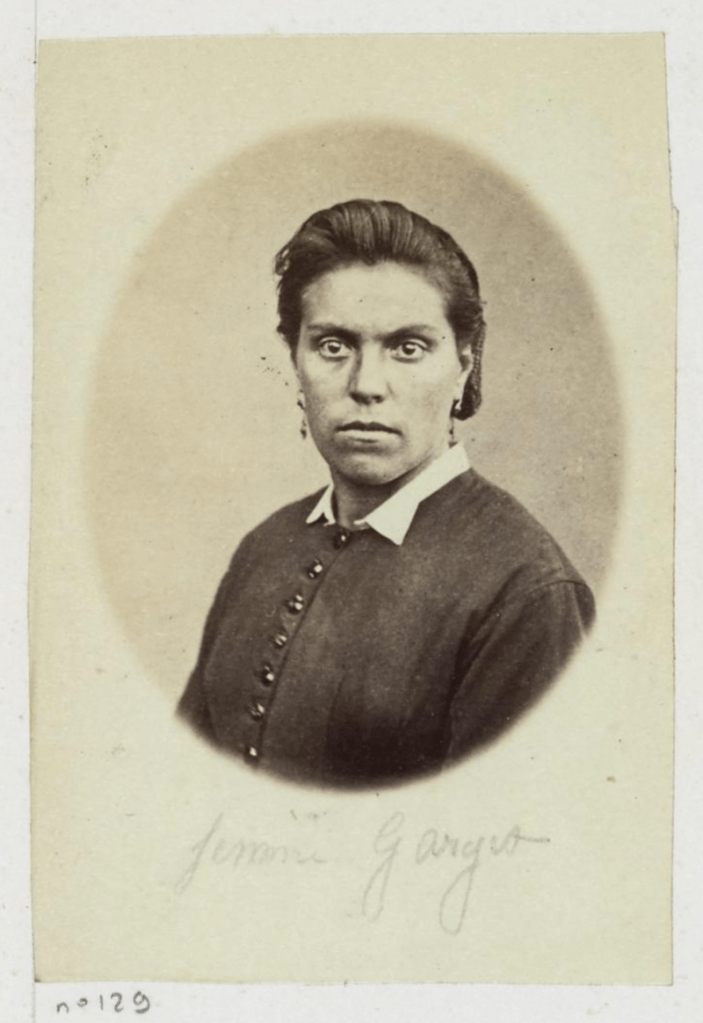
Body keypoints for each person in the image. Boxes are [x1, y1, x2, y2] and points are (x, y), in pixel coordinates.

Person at [177, 198, 595, 788]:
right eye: (333, 346)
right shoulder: (263, 549)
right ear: (294, 361)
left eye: (408, 347)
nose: (366, 385)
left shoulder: (527, 592)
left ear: (462, 366)